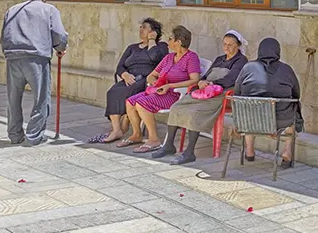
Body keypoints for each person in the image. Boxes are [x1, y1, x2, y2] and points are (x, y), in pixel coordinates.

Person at [151, 29, 248, 164]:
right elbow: (206, 75)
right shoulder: (220, 59)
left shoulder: (241, 61)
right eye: (224, 44)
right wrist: (202, 81)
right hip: (205, 91)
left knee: (195, 112)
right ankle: (168, 146)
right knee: (177, 107)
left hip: (221, 95)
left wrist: (212, 83)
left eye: (230, 45)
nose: (226, 47)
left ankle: (190, 152)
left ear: (238, 45)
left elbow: (231, 79)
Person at [0, 0, 68, 146]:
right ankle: (33, 135)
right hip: (37, 58)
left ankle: (15, 135)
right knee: (41, 98)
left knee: (13, 98)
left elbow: (4, 36)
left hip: (13, 58)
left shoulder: (13, 10)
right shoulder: (49, 10)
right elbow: (59, 34)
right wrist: (60, 47)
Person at [118, 25, 200, 152]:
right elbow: (152, 75)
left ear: (178, 42)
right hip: (160, 91)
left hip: (176, 95)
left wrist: (169, 86)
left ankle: (154, 139)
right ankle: (137, 134)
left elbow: (195, 80)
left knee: (141, 104)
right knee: (130, 101)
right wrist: (155, 84)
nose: (168, 42)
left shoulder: (191, 57)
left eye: (170, 39)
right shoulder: (168, 58)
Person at [88, 18, 168, 144]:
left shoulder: (161, 47)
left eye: (144, 27)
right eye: (140, 27)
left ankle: (125, 122)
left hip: (146, 80)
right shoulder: (132, 47)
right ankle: (117, 129)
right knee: (112, 92)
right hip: (129, 78)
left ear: (154, 32)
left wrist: (152, 40)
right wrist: (124, 74)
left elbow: (155, 58)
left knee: (131, 90)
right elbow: (120, 66)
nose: (141, 29)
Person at [234, 37, 303, 167]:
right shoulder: (286, 70)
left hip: (248, 120)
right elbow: (296, 94)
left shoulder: (247, 68)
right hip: (280, 120)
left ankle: (249, 151)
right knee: (294, 114)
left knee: (251, 110)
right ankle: (287, 152)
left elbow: (237, 92)